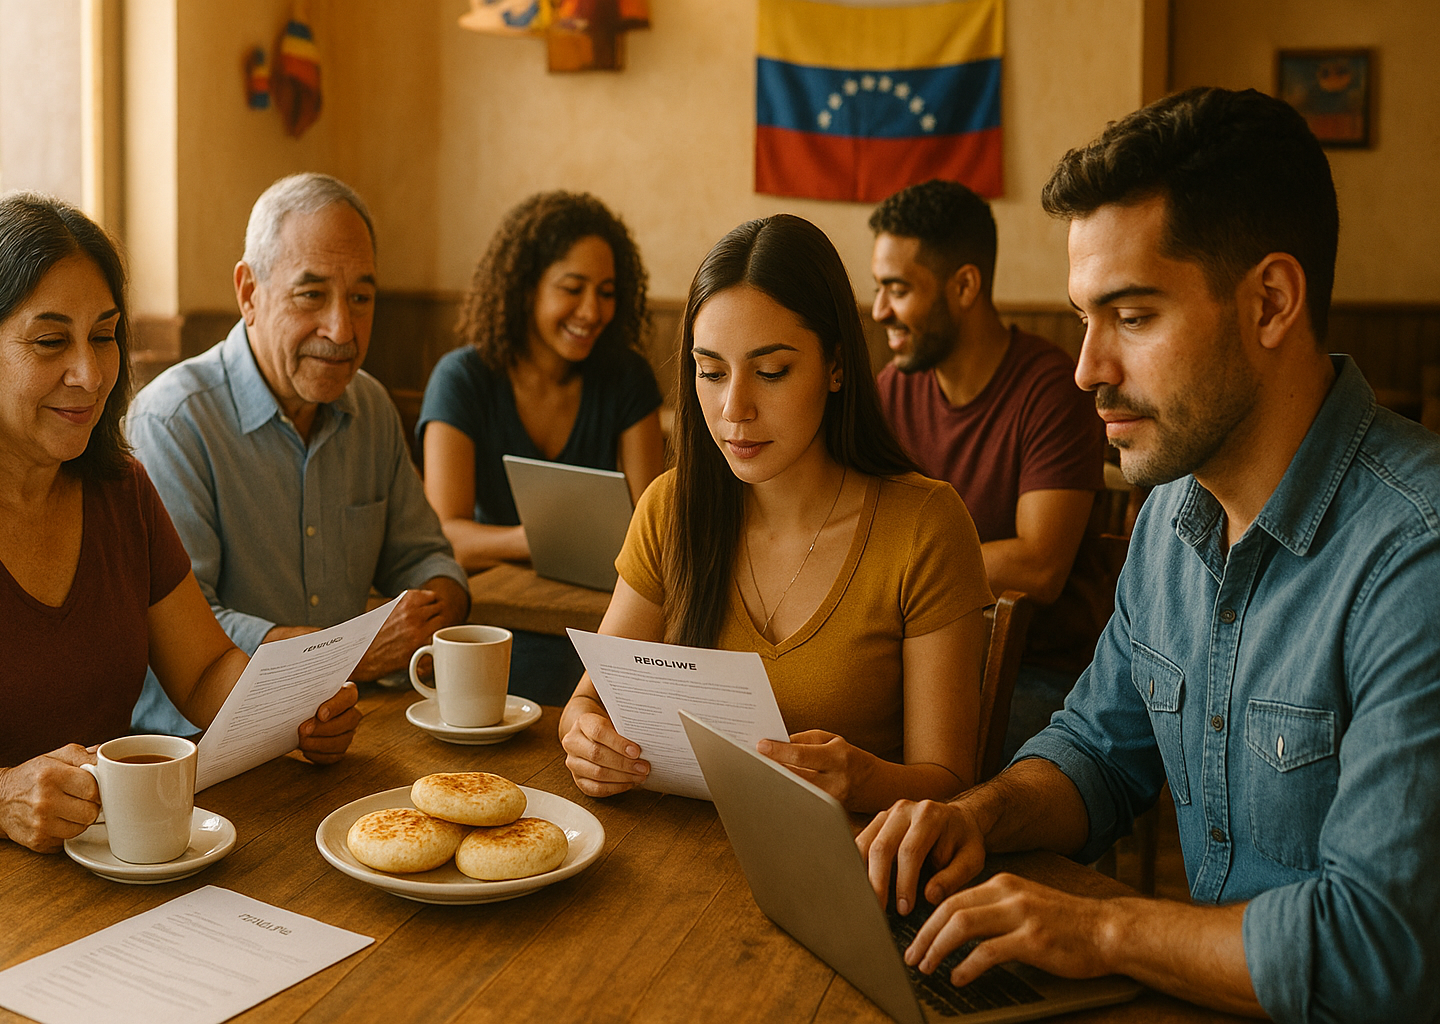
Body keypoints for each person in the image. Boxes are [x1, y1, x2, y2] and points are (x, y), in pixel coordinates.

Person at [857, 87, 1440, 1022]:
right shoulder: (1169, 514)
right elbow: (1099, 747)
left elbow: (1377, 958)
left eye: (1131, 317)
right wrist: (978, 816)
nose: (1087, 367)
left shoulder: (1415, 558)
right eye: (1085, 317)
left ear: (1272, 303)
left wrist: (1099, 931)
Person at [0, 193, 360, 859]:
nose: (88, 373)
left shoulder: (120, 489)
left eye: (105, 335)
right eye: (51, 341)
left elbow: (205, 673)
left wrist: (295, 708)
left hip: (111, 862)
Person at [560, 214, 994, 812]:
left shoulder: (924, 526)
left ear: (836, 365)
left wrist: (865, 781)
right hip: (678, 857)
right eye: (710, 372)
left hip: (854, 874)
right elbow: (589, 704)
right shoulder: (672, 507)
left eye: (771, 372)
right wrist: (586, 742)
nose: (735, 407)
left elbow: (950, 781)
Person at [128, 173, 468, 737]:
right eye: (311, 295)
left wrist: (434, 613)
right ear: (248, 293)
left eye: (361, 298)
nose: (341, 329)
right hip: (199, 751)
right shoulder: (172, 422)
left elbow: (428, 558)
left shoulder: (372, 407)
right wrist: (348, 655)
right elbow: (190, 630)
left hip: (337, 734)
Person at [869, 180, 1107, 761]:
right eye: (879, 289)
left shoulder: (1052, 389)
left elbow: (1040, 565)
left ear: (966, 285)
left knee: (911, 760)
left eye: (897, 290)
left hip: (1043, 675)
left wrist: (905, 570)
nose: (879, 312)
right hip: (921, 651)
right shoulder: (893, 389)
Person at [419, 191, 663, 705]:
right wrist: (537, 540)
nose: (592, 311)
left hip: (602, 624)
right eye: (572, 289)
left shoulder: (627, 379)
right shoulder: (461, 380)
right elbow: (443, 537)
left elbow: (654, 525)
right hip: (493, 625)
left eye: (607, 291)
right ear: (525, 288)